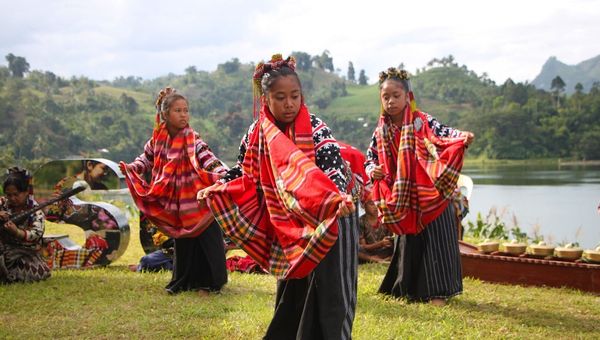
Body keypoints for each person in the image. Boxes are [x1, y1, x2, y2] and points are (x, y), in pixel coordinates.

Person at [198, 54, 358, 339]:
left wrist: (337, 199)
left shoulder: (317, 129)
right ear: (265, 99)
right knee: (293, 281)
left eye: (295, 96)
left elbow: (334, 168)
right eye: (280, 97)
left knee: (333, 287)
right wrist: (218, 186)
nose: (289, 104)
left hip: (332, 213)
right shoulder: (256, 133)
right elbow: (245, 171)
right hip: (290, 221)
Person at [365, 67, 474, 306]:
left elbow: (443, 135)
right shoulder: (380, 131)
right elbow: (370, 159)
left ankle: (438, 294)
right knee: (408, 241)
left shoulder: (421, 121)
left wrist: (461, 136)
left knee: (439, 240)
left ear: (407, 97)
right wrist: (373, 170)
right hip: (403, 196)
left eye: (396, 95)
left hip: (431, 192)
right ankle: (405, 289)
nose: (391, 101)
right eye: (386, 97)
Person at [120, 87, 228, 296]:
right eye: (178, 110)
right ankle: (183, 281)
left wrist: (223, 174)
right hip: (177, 203)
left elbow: (208, 159)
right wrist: (133, 168)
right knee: (184, 243)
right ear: (165, 114)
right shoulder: (157, 141)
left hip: (199, 200)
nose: (184, 115)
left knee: (208, 242)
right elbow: (145, 160)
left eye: (186, 110)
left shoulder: (193, 139)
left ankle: (211, 284)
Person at [0, 167, 51, 283]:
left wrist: (17, 232)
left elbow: (36, 234)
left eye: (16, 194)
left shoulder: (35, 211)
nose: (12, 198)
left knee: (36, 271)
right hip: (2, 249)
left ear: (26, 192)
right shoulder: (2, 203)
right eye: (9, 195)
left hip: (24, 254)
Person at [358, 192, 393, 264]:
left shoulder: (385, 218)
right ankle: (375, 259)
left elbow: (390, 239)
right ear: (364, 206)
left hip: (384, 251)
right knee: (356, 250)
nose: (375, 206)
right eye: (371, 204)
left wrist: (389, 242)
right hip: (369, 252)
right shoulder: (361, 221)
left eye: (377, 203)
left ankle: (388, 258)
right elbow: (364, 246)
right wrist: (380, 244)